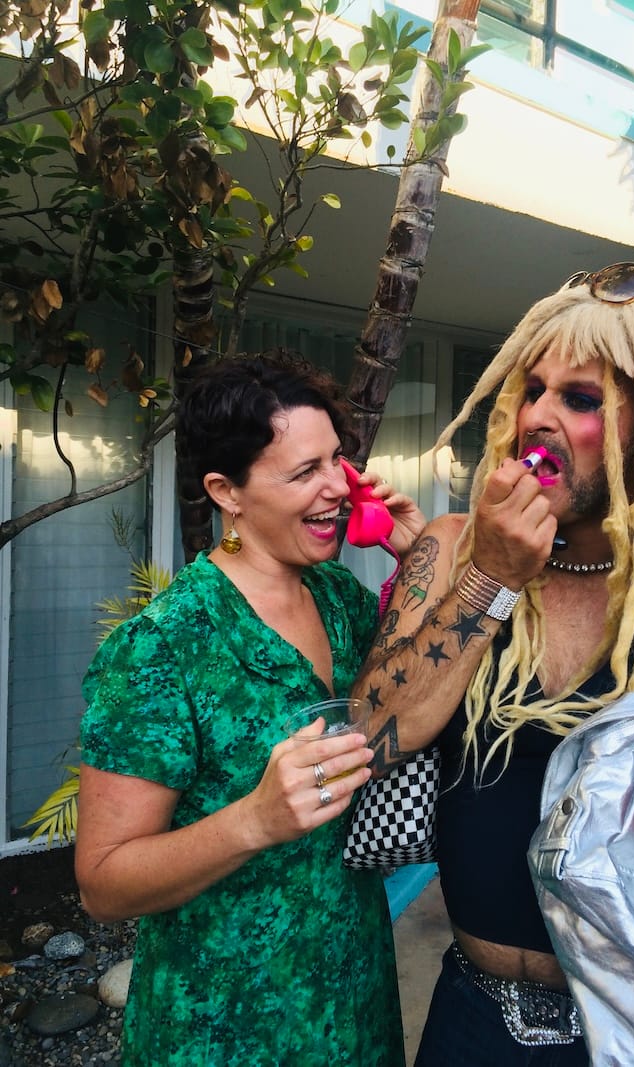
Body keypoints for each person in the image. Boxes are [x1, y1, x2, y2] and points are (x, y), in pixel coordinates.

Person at [351, 263, 634, 1066]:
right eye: (532, 390)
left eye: (581, 398)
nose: (537, 417)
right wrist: (490, 578)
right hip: (469, 1016)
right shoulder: (452, 551)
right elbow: (376, 731)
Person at [75, 350, 425, 1066]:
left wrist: (418, 554)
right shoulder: (165, 646)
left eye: (338, 459)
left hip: (353, 1001)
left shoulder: (342, 604)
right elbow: (103, 883)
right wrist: (253, 820)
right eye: (304, 472)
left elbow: (427, 695)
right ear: (225, 491)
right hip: (223, 1025)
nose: (337, 486)